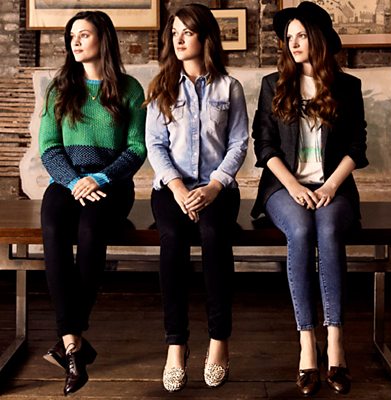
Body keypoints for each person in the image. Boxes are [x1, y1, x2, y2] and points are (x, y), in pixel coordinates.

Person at [252, 1, 368, 396]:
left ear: (318, 38)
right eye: (290, 37)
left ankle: (335, 341)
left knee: (329, 228)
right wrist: (294, 187)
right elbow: (264, 146)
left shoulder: (347, 87)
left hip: (333, 186)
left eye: (301, 35)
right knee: (301, 231)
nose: (294, 43)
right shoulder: (273, 84)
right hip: (283, 188)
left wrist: (330, 187)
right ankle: (306, 342)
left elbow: (357, 146)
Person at [39, 10, 146, 396]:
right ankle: (73, 344)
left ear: (104, 38)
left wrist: (99, 178)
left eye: (84, 35)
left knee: (90, 231)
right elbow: (49, 147)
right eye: (72, 36)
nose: (76, 42)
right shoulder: (59, 88)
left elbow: (136, 148)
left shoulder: (130, 89)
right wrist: (73, 181)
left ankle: (69, 341)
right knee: (53, 228)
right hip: (66, 182)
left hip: (111, 184)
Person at [145, 3, 248, 392]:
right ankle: (176, 344)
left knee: (214, 237)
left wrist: (214, 186)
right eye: (174, 33)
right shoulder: (161, 87)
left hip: (217, 190)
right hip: (172, 190)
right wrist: (179, 189)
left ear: (206, 37)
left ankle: (219, 340)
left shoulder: (229, 87)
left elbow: (238, 143)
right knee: (171, 240)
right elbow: (155, 145)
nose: (179, 39)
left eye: (187, 32)